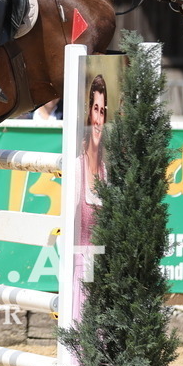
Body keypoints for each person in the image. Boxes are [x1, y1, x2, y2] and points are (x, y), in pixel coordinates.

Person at [73, 74, 107, 321]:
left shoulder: (107, 170)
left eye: (103, 111)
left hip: (104, 269)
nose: (98, 118)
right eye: (96, 109)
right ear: (88, 113)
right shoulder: (76, 166)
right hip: (78, 270)